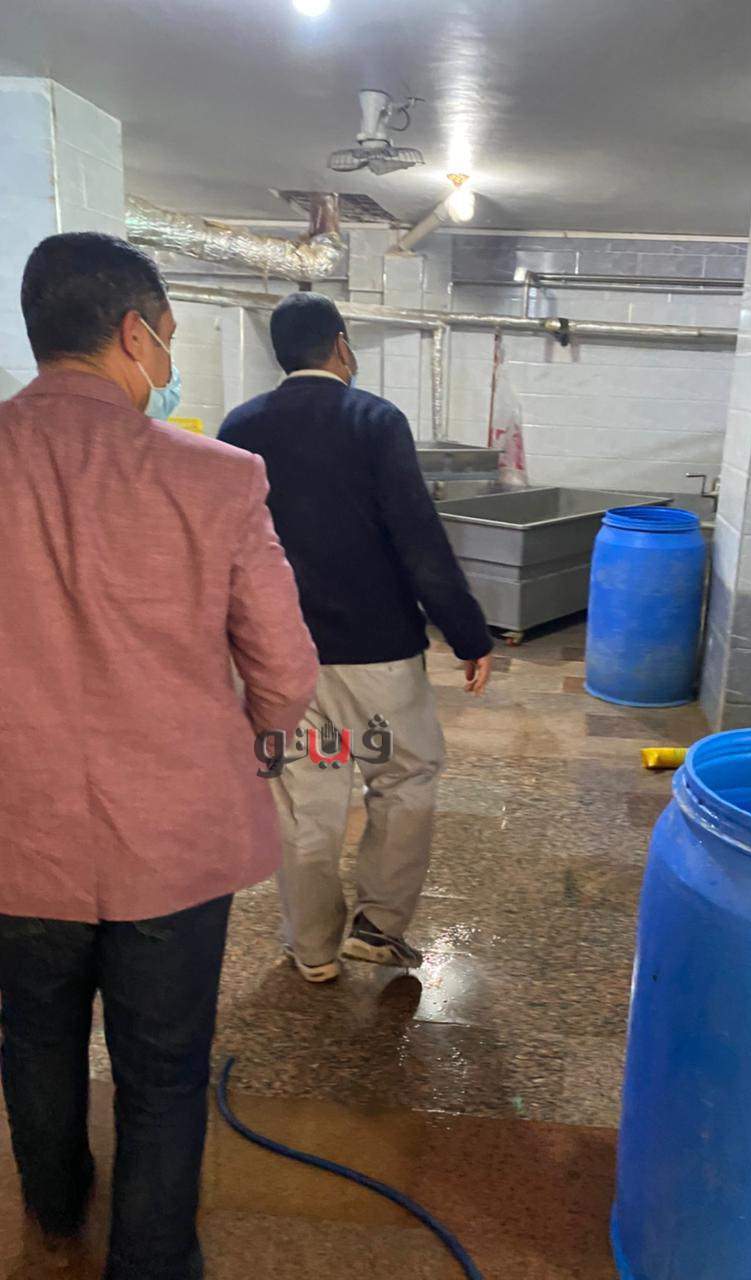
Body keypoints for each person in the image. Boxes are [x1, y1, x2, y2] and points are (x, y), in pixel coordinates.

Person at [0, 234, 318, 1279]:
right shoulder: (216, 478)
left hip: (14, 832)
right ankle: (151, 1259)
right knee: (165, 1067)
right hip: (172, 838)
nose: (167, 360)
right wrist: (254, 742)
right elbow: (285, 670)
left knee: (32, 1035)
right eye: (169, 338)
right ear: (135, 334)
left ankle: (54, 1209)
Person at [219, 293, 493, 984]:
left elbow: (224, 547)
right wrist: (467, 633)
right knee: (403, 777)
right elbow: (417, 536)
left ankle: (311, 948)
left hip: (279, 655)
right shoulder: (374, 420)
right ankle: (377, 929)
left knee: (303, 795)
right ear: (341, 346)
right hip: (378, 653)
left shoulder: (240, 427)